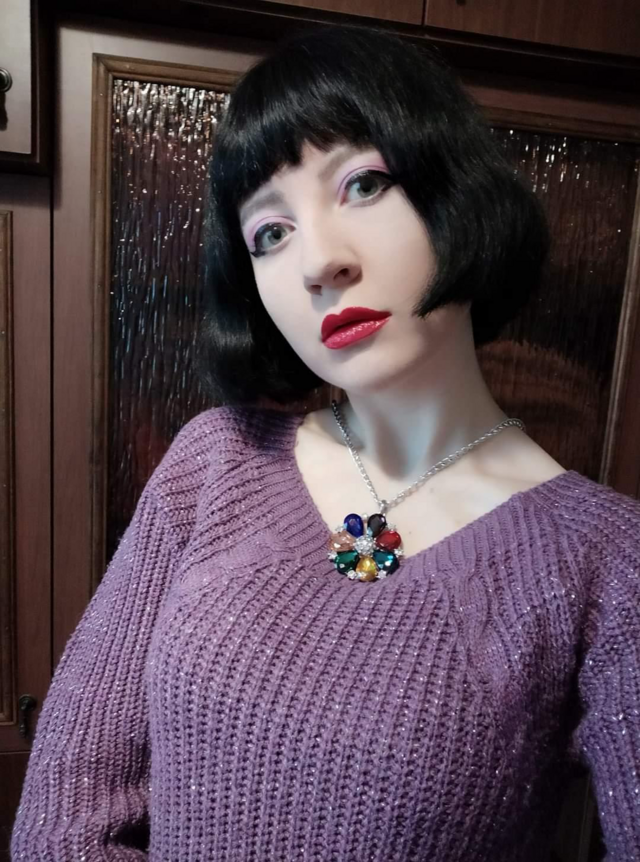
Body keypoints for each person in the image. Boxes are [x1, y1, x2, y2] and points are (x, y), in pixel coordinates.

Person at [11, 22, 640, 862]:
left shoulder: (605, 563)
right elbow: (63, 818)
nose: (319, 263)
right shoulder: (215, 464)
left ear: (456, 189)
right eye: (270, 233)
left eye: (363, 184)